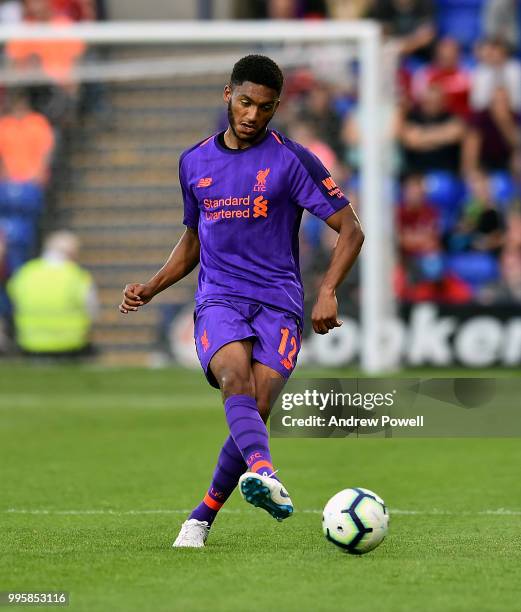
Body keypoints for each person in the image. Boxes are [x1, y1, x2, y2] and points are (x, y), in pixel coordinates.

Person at [119, 55, 363, 548]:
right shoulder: (194, 162)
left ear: (277, 108)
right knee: (234, 378)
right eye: (246, 102)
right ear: (227, 94)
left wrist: (327, 289)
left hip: (278, 303)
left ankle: (201, 515)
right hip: (219, 298)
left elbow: (351, 230)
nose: (253, 116)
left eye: (266, 108)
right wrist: (154, 284)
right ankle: (265, 472)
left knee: (256, 404)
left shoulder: (292, 160)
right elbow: (193, 240)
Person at [7, 230, 98, 356]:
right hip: (70, 345)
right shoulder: (77, 276)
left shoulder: (24, 272)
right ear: (72, 252)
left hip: (30, 344)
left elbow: (13, 302)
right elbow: (92, 311)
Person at [399, 83, 465, 174]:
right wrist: (443, 135)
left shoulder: (452, 117)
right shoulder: (412, 117)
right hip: (417, 174)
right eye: (428, 101)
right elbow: (411, 140)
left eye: (436, 101)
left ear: (444, 102)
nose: (432, 104)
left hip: (447, 173)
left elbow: (456, 132)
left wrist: (422, 137)